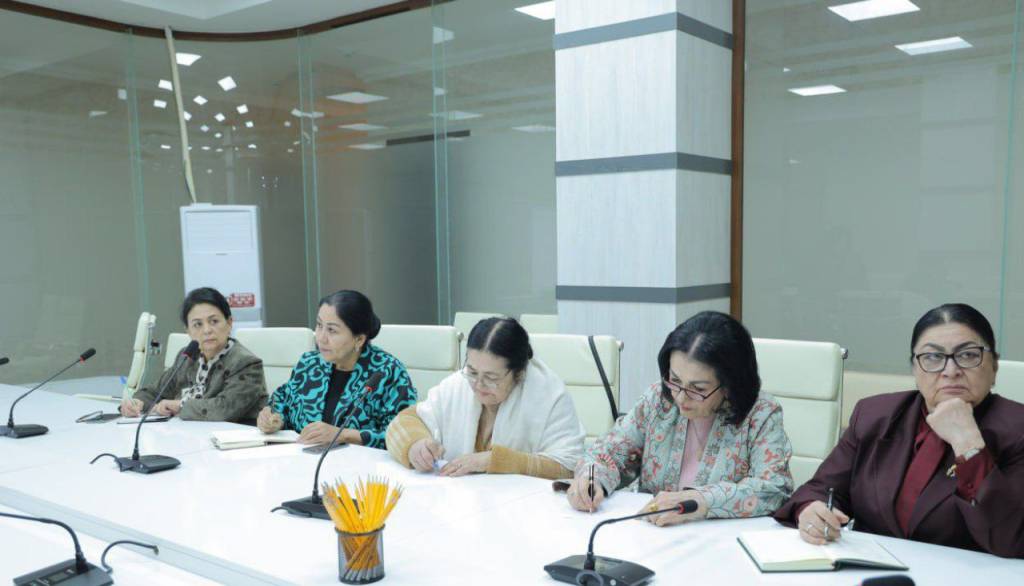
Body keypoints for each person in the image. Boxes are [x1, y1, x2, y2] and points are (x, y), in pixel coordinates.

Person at [774, 303, 1024, 558]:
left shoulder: (1018, 429)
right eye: (933, 357)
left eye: (968, 355)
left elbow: (1012, 540)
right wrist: (811, 510)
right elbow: (820, 490)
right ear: (914, 369)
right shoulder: (875, 415)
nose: (951, 371)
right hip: (868, 569)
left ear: (994, 366)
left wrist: (968, 445)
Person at [567, 311, 793, 526]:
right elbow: (608, 452)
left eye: (698, 388)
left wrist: (698, 501)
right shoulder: (658, 399)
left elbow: (774, 489)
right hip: (649, 534)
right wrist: (591, 478)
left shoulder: (760, 414)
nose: (681, 397)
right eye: (675, 380)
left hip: (721, 541)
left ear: (730, 384)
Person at [385, 317, 585, 478]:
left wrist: (494, 461)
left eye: (491, 378)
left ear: (519, 373)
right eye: (472, 372)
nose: (479, 385)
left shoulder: (548, 396)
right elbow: (404, 421)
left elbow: (569, 466)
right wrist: (415, 445)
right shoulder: (460, 385)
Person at [256, 290, 416, 448]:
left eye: (332, 330)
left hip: (360, 463)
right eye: (319, 325)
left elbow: (404, 434)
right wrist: (273, 419)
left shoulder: (387, 372)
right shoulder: (309, 364)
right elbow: (281, 402)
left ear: (359, 339)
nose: (321, 337)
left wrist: (343, 435)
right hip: (301, 459)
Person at [119, 287, 266, 422]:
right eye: (198, 324)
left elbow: (224, 409)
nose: (207, 330)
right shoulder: (187, 357)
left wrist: (180, 405)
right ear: (188, 331)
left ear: (229, 323)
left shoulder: (247, 363)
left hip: (232, 439)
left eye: (214, 321)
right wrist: (136, 403)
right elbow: (156, 392)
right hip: (189, 435)